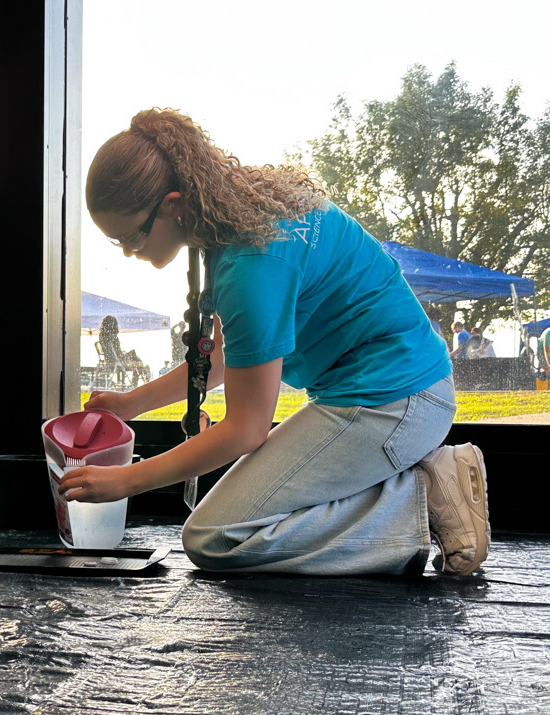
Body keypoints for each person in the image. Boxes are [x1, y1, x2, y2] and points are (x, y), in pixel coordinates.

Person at [60, 107, 489, 577]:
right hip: (387, 389)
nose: (128, 252)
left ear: (173, 204)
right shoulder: (246, 217)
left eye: (130, 235)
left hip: (396, 403)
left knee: (215, 537)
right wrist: (131, 403)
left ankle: (422, 501)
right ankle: (406, 487)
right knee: (239, 520)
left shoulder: (250, 268)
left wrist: (126, 480)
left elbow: (246, 429)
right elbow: (228, 355)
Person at [98, 315, 151, 387]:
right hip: (117, 361)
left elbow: (112, 352)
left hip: (110, 360)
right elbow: (117, 353)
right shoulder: (113, 338)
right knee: (136, 359)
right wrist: (126, 354)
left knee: (136, 361)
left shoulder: (102, 337)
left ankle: (139, 380)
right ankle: (143, 379)